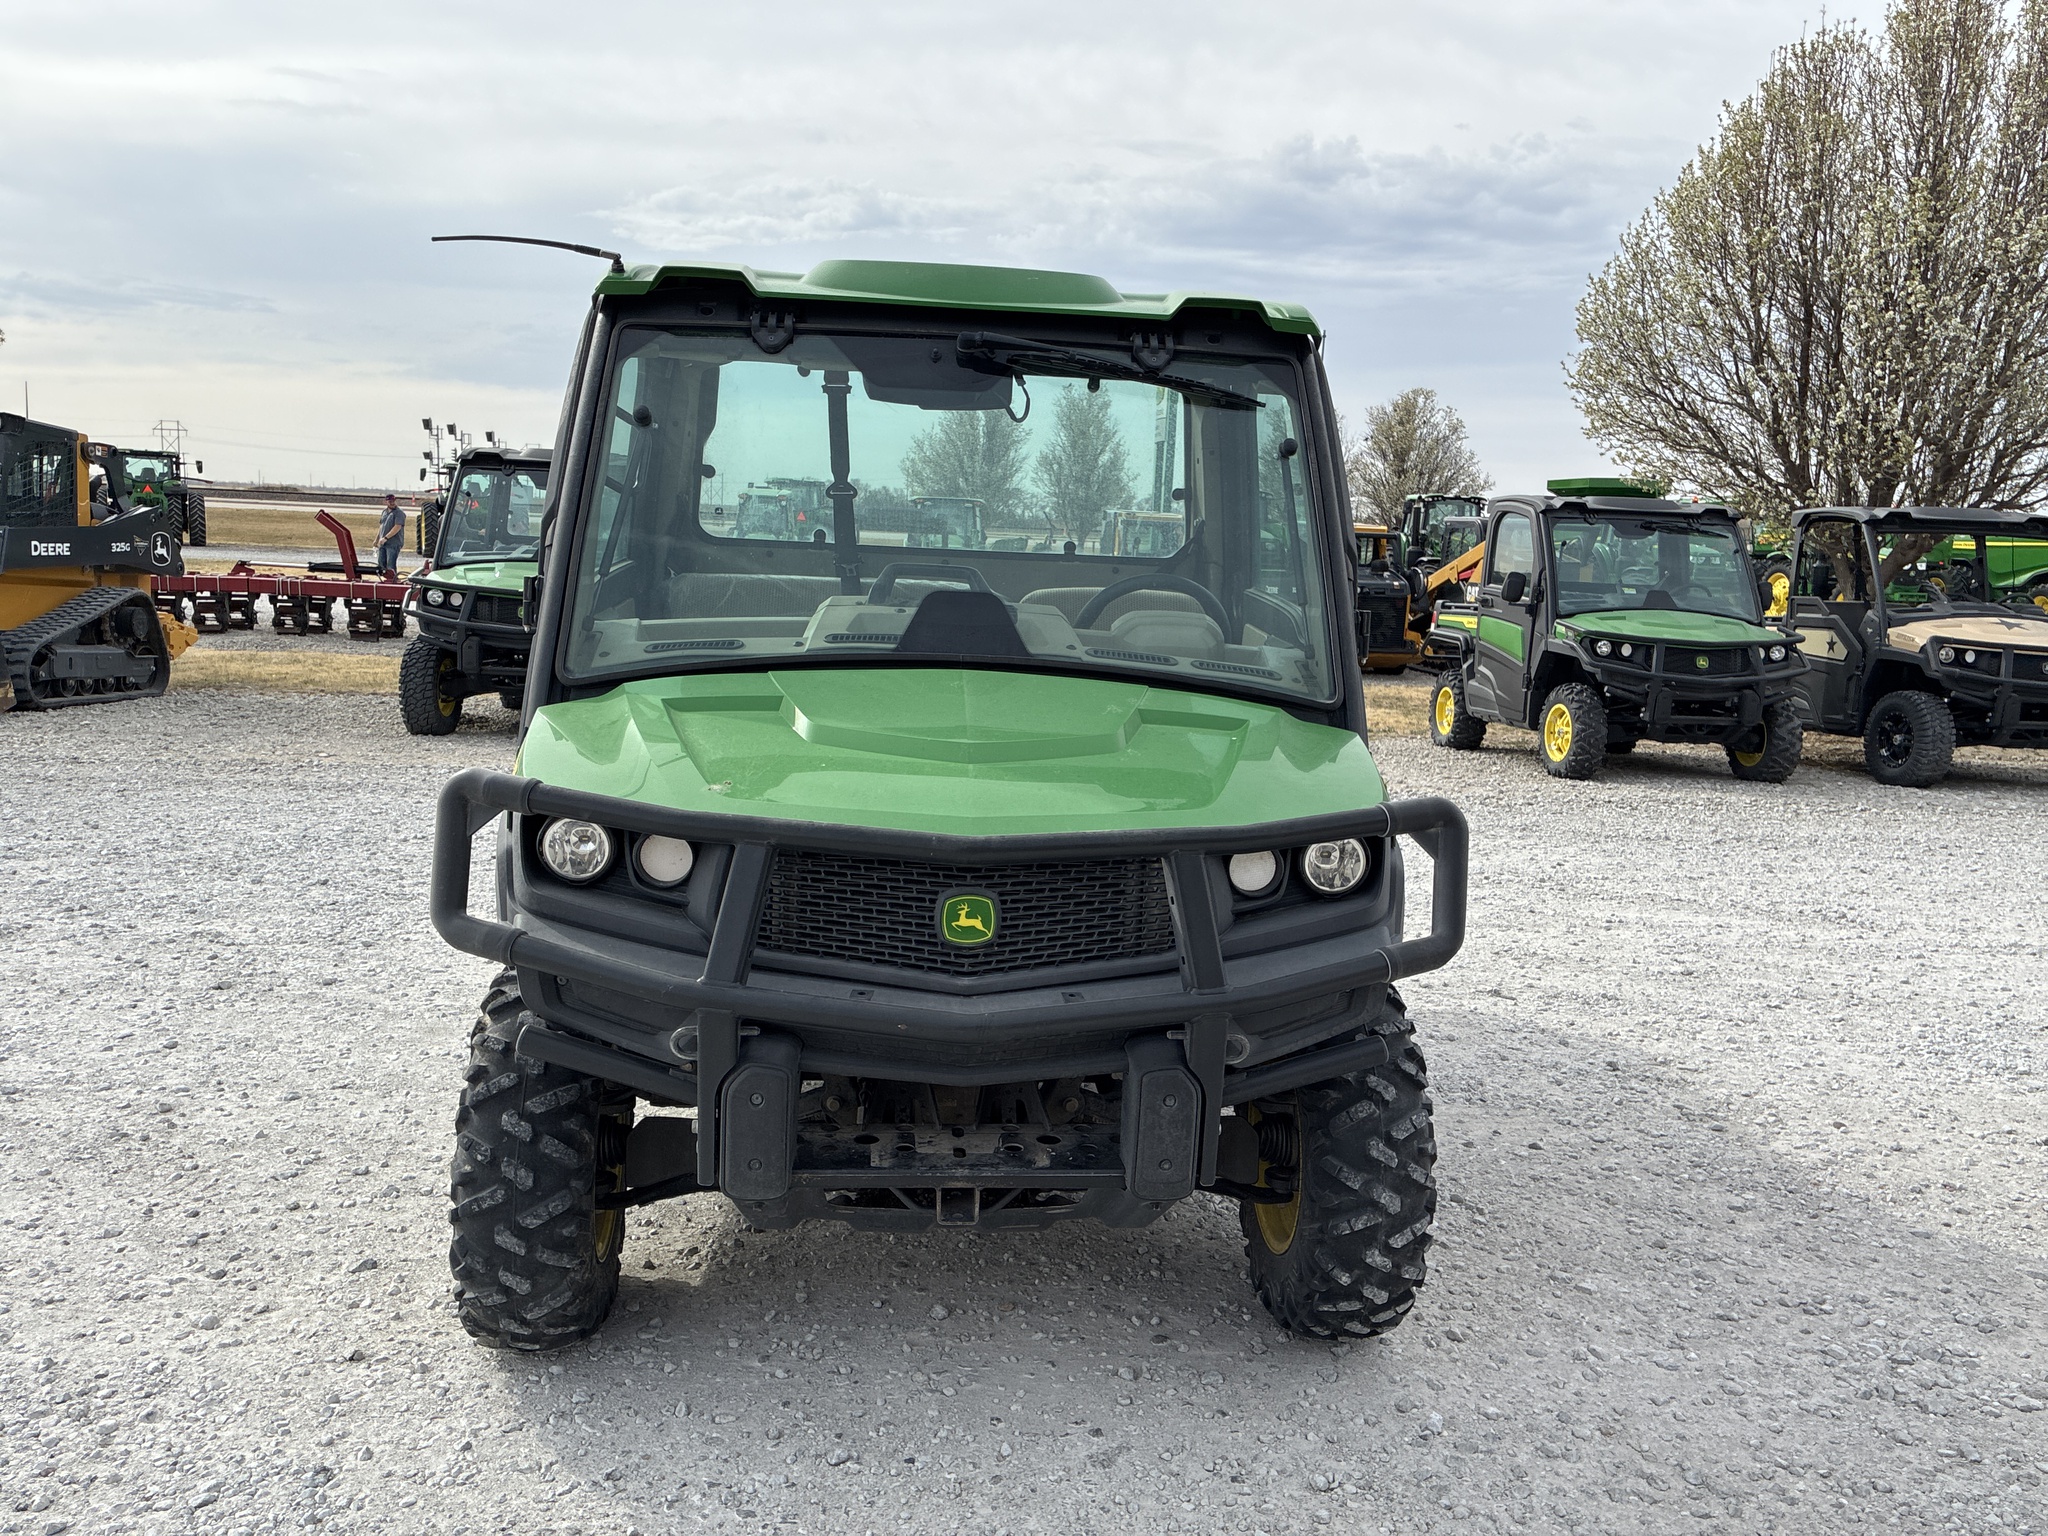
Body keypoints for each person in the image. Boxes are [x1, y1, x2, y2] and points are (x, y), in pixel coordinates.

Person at [375, 492, 405, 579]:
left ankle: (393, 580)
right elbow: (381, 526)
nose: (392, 503)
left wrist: (386, 538)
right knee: (381, 564)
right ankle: (385, 580)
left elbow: (397, 526)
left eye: (393, 501)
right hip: (382, 543)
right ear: (385, 502)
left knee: (390, 565)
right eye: (390, 501)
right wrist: (376, 539)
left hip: (393, 543)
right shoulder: (384, 512)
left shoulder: (399, 513)